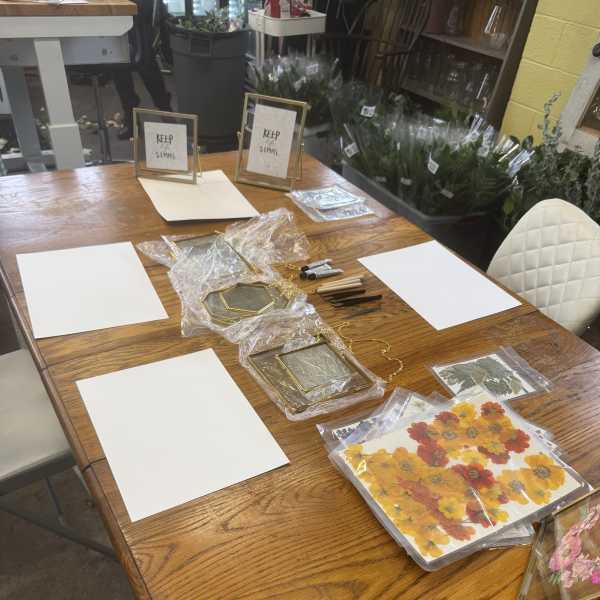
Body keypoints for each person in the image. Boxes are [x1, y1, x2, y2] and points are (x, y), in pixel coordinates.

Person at [113, 0, 173, 140]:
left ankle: (169, 119)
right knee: (119, 68)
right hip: (116, 13)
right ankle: (131, 122)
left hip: (139, 11)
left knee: (146, 65)